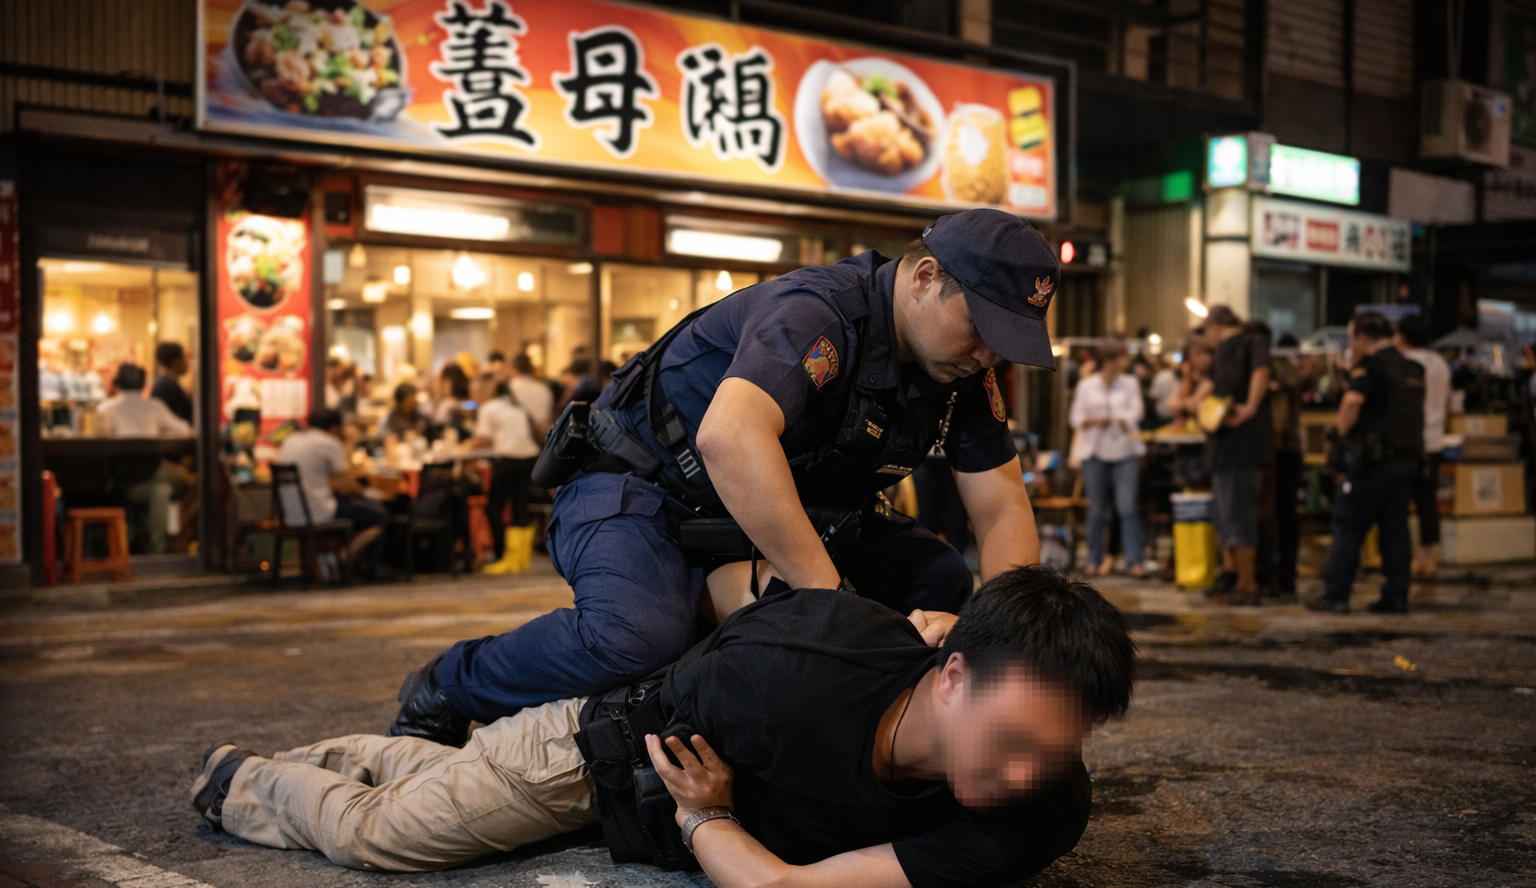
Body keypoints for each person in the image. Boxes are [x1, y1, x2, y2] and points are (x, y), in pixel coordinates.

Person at [387, 209, 1057, 746]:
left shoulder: (964, 374)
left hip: (764, 512)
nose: (988, 353)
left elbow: (1000, 506)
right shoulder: (818, 313)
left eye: (1007, 338)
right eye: (981, 326)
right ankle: (449, 684)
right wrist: (829, 607)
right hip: (640, 489)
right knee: (636, 637)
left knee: (935, 579)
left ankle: (791, 687)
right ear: (924, 277)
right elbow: (730, 438)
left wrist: (999, 641)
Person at [191, 566, 1133, 888]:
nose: (1019, 778)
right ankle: (246, 782)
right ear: (955, 674)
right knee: (387, 839)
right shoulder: (796, 671)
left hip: (682, 809)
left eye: (1049, 754)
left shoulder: (1042, 806)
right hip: (591, 757)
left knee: (442, 782)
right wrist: (702, 813)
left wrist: (707, 819)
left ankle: (363, 754)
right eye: (1010, 743)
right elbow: (725, 589)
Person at [1308, 313, 1424, 614]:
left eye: (1351, 338)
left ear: (1362, 337)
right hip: (1407, 460)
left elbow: (1351, 404)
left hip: (1373, 463)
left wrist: (1339, 437)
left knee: (1348, 523)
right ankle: (1396, 596)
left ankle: (1336, 595)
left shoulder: (1372, 368)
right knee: (1395, 530)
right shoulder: (1413, 368)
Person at [1193, 308, 1272, 606]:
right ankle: (1233, 576)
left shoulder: (1251, 342)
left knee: (1239, 517)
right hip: (1223, 448)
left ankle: (1247, 582)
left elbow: (1261, 373)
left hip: (1243, 446)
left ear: (1214, 325)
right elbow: (1210, 391)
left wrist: (1250, 408)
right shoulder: (1223, 353)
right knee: (1226, 517)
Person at [98, 363, 195, 554]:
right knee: (195, 485)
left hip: (120, 479)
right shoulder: (153, 407)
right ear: (144, 384)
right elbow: (184, 430)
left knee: (161, 490)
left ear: (117, 384)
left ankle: (158, 545)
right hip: (153, 470)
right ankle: (175, 541)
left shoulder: (105, 408)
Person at [278, 408, 387, 577]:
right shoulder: (329, 442)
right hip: (318, 511)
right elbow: (346, 487)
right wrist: (367, 493)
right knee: (379, 514)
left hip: (290, 513)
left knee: (361, 511)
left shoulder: (290, 440)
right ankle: (348, 562)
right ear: (335, 428)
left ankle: (342, 562)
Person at [1069, 339, 1145, 577]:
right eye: (1121, 357)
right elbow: (1075, 417)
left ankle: (1135, 561)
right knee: (1096, 509)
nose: (1125, 362)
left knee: (1127, 507)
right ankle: (1093, 560)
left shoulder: (1130, 384)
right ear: (1110, 360)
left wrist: (1121, 418)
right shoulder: (1087, 385)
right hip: (1094, 452)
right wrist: (1093, 420)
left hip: (1125, 451)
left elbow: (1137, 411)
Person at [1396, 315, 1450, 580]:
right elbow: (1448, 402)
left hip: (1412, 440)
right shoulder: (1440, 362)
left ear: (1402, 336)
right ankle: (1428, 560)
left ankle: (1405, 559)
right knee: (1428, 501)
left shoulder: (1408, 363)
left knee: (1401, 501)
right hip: (1436, 440)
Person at [471, 380, 542, 573]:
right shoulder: (515, 405)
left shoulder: (489, 407)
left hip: (508, 459)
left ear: (488, 389)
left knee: (494, 506)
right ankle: (519, 560)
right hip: (530, 458)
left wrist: (465, 445)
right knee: (519, 507)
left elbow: (484, 439)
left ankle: (501, 556)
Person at [1266, 333, 1304, 600]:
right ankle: (1286, 577)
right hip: (1291, 450)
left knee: (1274, 516)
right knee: (1287, 516)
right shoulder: (1297, 374)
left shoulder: (1274, 370)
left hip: (1276, 451)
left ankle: (1277, 577)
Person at [150, 342, 194, 424]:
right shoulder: (165, 386)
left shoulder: (167, 383)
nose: (187, 363)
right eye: (184, 358)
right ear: (176, 361)